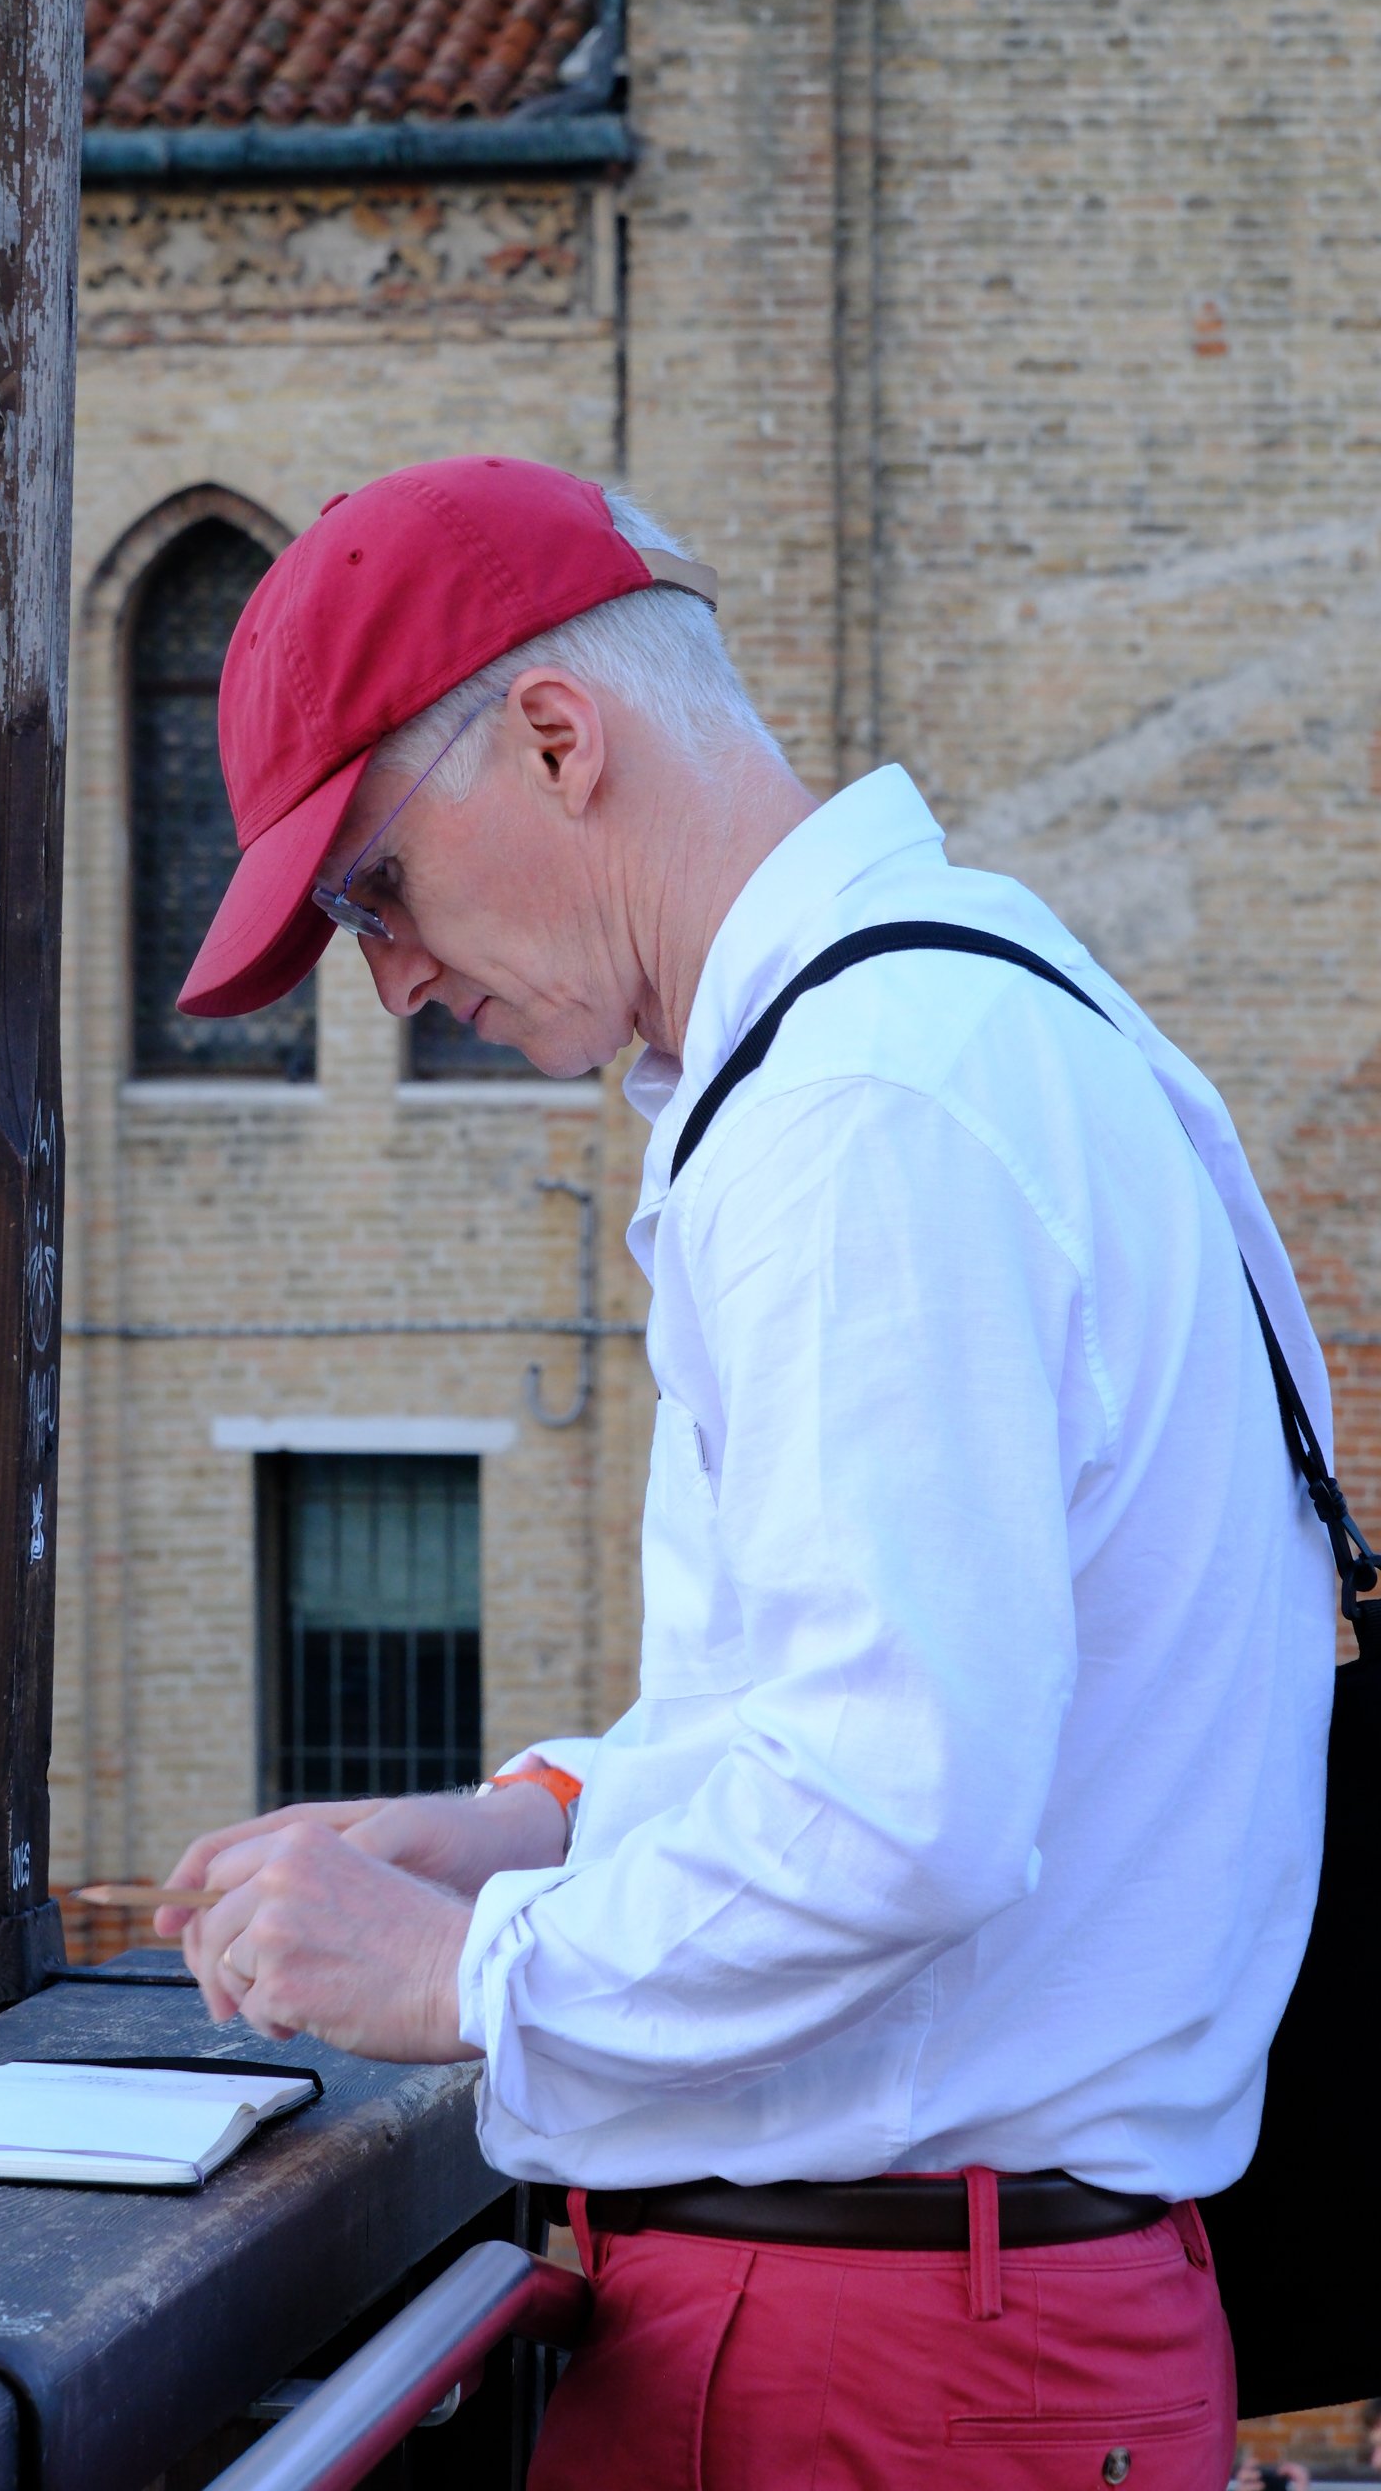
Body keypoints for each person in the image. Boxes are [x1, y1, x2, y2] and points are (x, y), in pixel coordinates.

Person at [152, 458, 1336, 2489]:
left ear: (554, 737)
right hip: (964, 2333)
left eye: (377, 887)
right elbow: (900, 1722)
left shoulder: (863, 1111)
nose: (393, 980)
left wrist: (462, 1972)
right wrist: (519, 1826)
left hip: (875, 2365)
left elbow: (900, 1812)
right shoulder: (982, 1014)